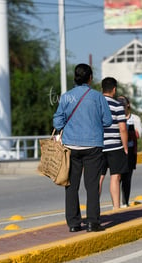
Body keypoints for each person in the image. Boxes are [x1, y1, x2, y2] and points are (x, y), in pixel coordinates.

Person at [53, 63, 113, 232]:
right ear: (90, 78)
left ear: (75, 78)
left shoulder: (66, 97)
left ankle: (73, 223)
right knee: (92, 185)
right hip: (93, 145)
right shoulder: (98, 97)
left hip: (71, 145)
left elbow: (57, 122)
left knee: (71, 185)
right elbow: (108, 121)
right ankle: (93, 222)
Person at [99, 77, 129, 211]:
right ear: (114, 89)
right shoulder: (117, 105)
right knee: (115, 177)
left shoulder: (96, 104)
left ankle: (93, 208)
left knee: (98, 178)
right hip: (115, 146)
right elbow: (122, 128)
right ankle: (116, 207)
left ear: (101, 89)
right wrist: (125, 147)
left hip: (98, 146)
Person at [116, 95, 142, 207]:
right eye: (119, 102)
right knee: (117, 177)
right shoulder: (115, 117)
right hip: (118, 150)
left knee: (127, 178)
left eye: (123, 102)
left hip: (131, 151)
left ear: (128, 104)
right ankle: (116, 203)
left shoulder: (135, 118)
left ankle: (125, 202)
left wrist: (128, 132)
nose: (121, 104)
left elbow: (139, 134)